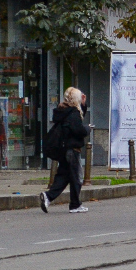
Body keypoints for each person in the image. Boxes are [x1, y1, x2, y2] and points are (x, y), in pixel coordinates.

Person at [40, 87, 89, 215]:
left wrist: (84, 104)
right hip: (72, 149)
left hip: (64, 149)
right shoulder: (73, 113)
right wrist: (87, 129)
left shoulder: (65, 111)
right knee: (77, 177)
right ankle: (75, 205)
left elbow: (79, 116)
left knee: (63, 176)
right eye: (80, 98)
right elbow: (78, 130)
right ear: (76, 99)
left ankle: (48, 197)